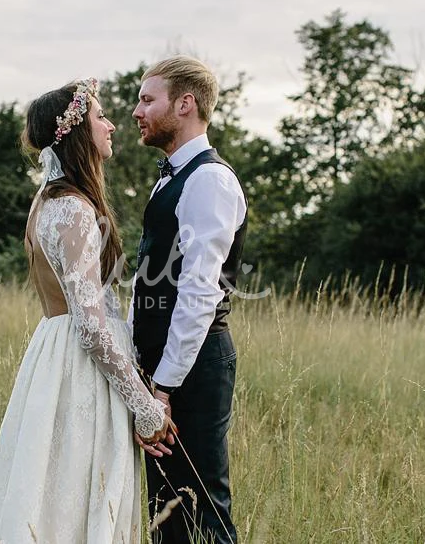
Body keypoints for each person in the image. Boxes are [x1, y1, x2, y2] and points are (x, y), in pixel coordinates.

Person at [0, 78, 171, 544]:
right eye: (100, 117)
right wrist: (145, 408)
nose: (111, 125)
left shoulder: (47, 202)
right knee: (76, 498)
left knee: (50, 496)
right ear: (78, 133)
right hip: (78, 369)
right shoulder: (72, 208)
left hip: (52, 355)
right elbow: (90, 326)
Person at [130, 57, 247, 544]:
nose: (137, 110)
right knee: (168, 511)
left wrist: (163, 388)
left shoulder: (209, 179)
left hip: (193, 368)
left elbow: (200, 292)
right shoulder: (173, 175)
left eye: (146, 98)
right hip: (166, 366)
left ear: (185, 104)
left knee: (202, 508)